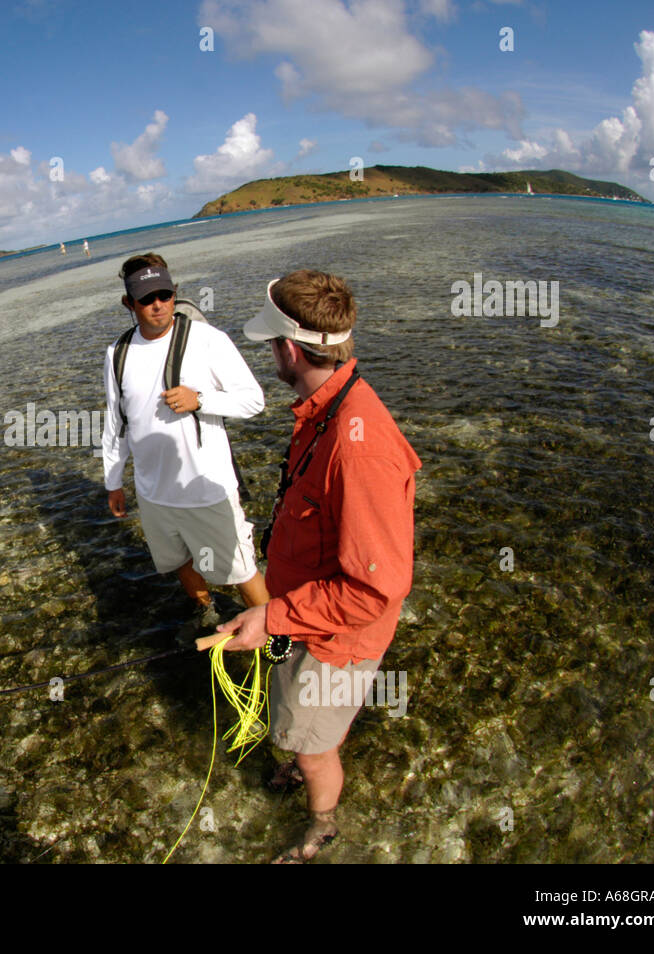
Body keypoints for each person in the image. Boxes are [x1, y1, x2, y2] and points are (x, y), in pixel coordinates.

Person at [198, 269, 421, 863]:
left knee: (313, 747)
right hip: (306, 615)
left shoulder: (357, 445)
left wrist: (271, 618)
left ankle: (320, 825)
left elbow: (377, 591)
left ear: (290, 349)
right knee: (299, 729)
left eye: (271, 344)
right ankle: (305, 764)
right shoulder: (327, 405)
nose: (270, 354)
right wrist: (278, 613)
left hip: (335, 640)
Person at [102, 253, 271, 627]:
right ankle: (207, 613)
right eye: (146, 298)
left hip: (206, 491)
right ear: (128, 303)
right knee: (179, 560)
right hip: (153, 495)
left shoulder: (208, 339)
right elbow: (117, 422)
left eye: (165, 293)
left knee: (241, 569)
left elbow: (254, 400)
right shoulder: (117, 353)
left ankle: (277, 640)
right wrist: (114, 482)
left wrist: (201, 399)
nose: (158, 304)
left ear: (175, 292)